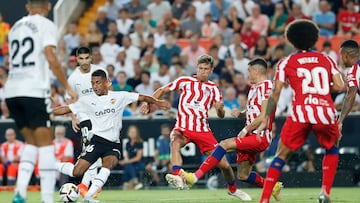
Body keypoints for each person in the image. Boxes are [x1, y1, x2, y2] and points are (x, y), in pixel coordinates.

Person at [256, 19, 345, 203]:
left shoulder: (286, 62)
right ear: (314, 38)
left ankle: (264, 199)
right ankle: (324, 192)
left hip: (301, 111)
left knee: (281, 154)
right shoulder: (326, 58)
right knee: (332, 146)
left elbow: (276, 92)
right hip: (325, 110)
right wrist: (319, 89)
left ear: (291, 40)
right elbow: (340, 85)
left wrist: (266, 118)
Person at [142, 54, 251, 200]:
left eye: (206, 69)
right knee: (174, 141)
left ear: (211, 70)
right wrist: (148, 103)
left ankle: (233, 189)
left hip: (202, 130)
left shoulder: (214, 88)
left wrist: (219, 109)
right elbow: (162, 90)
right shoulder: (184, 80)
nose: (203, 71)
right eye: (200, 68)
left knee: (224, 165)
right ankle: (177, 176)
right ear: (196, 68)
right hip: (183, 127)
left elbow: (221, 115)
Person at [54, 69, 170, 202]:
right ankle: (53, 164)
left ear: (107, 82)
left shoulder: (119, 96)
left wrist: (158, 102)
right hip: (97, 141)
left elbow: (142, 97)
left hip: (113, 143)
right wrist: (47, 112)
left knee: (109, 164)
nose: (95, 86)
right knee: (77, 172)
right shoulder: (87, 101)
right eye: (93, 83)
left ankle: (88, 197)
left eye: (98, 82)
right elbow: (65, 109)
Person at [4, 1, 78, 202]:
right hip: (34, 89)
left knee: (32, 142)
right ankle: (47, 198)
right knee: (46, 145)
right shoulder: (46, 25)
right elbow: (51, 57)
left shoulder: (15, 27)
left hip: (11, 91)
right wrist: (67, 87)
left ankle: (20, 192)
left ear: (28, 7)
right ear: (47, 6)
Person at [180, 58, 282, 201]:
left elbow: (263, 115)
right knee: (243, 175)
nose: (248, 74)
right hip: (250, 136)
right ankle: (272, 186)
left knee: (223, 145)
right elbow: (253, 112)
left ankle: (194, 177)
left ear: (256, 71)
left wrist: (246, 129)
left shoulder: (267, 86)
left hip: (260, 136)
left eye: (249, 71)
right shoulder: (254, 88)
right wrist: (241, 114)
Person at [66, 46, 107, 198]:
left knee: (98, 149)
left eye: (86, 58)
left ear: (91, 58)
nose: (84, 61)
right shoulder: (73, 78)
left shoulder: (100, 72)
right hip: (84, 117)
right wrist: (73, 116)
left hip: (101, 116)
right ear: (77, 59)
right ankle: (85, 185)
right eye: (81, 58)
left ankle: (91, 182)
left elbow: (108, 91)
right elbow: (70, 99)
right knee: (91, 148)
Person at [338, 40, 360, 138]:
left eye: (341, 55)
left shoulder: (354, 71)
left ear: (346, 55)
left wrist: (340, 121)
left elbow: (351, 96)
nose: (340, 59)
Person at [120, 125, 145, 190]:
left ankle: (128, 183)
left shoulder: (140, 143)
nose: (132, 134)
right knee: (128, 166)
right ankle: (133, 183)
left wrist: (127, 161)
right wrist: (125, 161)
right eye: (131, 132)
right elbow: (127, 156)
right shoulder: (127, 144)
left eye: (134, 132)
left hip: (139, 164)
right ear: (128, 133)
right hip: (131, 164)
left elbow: (138, 158)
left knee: (128, 166)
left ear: (137, 133)